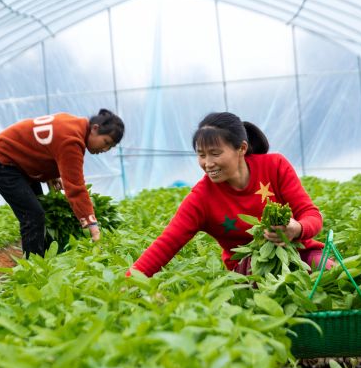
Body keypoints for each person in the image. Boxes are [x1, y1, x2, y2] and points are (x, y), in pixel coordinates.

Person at [129, 111, 331, 278]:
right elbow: (166, 243)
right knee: (259, 277)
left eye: (215, 153)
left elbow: (311, 215)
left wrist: (297, 228)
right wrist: (128, 284)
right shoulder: (202, 197)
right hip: (248, 270)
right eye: (201, 155)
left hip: (300, 253)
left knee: (331, 272)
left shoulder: (274, 166)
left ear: (241, 148)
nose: (208, 163)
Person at [0, 109, 124, 257]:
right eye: (106, 142)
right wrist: (93, 226)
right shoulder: (72, 140)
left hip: (18, 161)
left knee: (40, 210)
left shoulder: (74, 124)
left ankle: (43, 261)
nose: (105, 149)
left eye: (110, 147)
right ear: (95, 129)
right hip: (3, 160)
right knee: (33, 215)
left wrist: (50, 174)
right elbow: (75, 188)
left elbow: (44, 146)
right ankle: (32, 270)